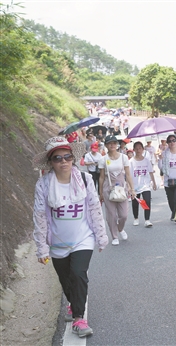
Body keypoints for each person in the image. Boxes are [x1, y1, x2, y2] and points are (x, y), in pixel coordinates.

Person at [32, 136, 108, 338]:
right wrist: (42, 247)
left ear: (73, 158)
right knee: (66, 280)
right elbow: (39, 217)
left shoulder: (85, 179)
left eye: (67, 156)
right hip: (57, 243)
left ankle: (78, 319)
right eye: (58, 158)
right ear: (51, 162)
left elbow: (94, 208)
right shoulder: (43, 185)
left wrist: (101, 236)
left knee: (78, 273)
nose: (63, 161)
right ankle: (74, 303)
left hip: (83, 238)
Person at [98, 135, 136, 245]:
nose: (112, 145)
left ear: (117, 144)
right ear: (106, 145)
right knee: (111, 215)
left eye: (114, 143)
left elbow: (128, 174)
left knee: (123, 215)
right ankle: (114, 236)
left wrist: (132, 189)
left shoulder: (124, 157)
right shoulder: (103, 159)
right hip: (108, 188)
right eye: (110, 143)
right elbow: (101, 177)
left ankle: (120, 228)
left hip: (121, 188)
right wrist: (100, 193)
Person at [130, 141, 157, 227]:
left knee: (147, 201)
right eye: (136, 148)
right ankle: (136, 218)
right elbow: (128, 175)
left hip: (145, 185)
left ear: (143, 149)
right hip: (135, 185)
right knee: (135, 202)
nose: (138, 150)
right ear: (134, 150)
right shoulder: (131, 161)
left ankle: (147, 220)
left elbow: (150, 172)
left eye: (140, 148)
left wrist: (154, 183)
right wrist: (129, 187)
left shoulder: (146, 161)